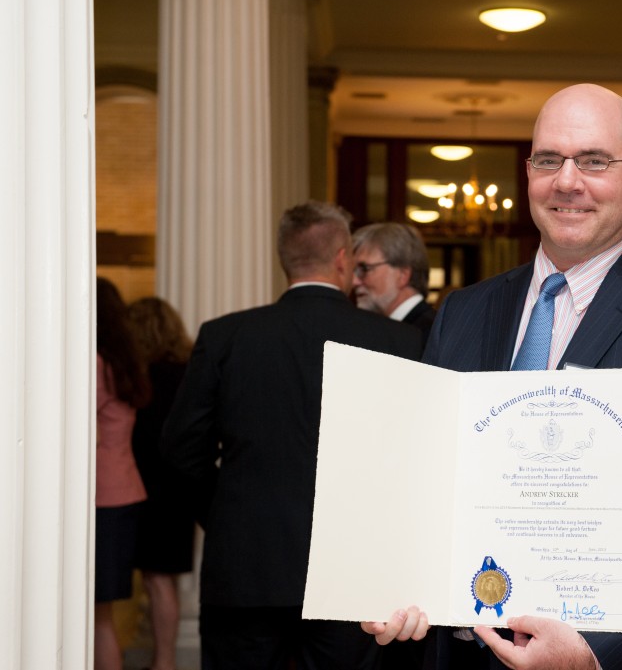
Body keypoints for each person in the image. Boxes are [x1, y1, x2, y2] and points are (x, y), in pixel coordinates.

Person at [363, 83, 622, 670]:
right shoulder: (464, 311)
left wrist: (594, 650)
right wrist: (390, 581)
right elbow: (426, 483)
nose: (567, 181)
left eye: (594, 161)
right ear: (528, 174)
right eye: (548, 160)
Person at [161, 201, 423, 670]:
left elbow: (180, 450)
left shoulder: (225, 336)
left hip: (247, 565)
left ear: (285, 259)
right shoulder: (394, 341)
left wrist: (226, 513)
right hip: (354, 568)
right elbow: (414, 454)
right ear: (342, 259)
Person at [127, 297, 196, 670]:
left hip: (149, 490)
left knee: (156, 581)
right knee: (162, 580)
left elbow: (142, 441)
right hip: (179, 490)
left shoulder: (143, 379)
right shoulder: (188, 373)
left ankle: (164, 662)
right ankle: (164, 660)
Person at [95, 277, 151, 670]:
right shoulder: (125, 362)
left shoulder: (98, 365)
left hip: (103, 495)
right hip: (125, 489)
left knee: (98, 615)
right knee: (102, 613)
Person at [351, 222, 436, 344]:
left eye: (364, 269)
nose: (354, 281)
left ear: (402, 275)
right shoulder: (402, 329)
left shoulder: (429, 334)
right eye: (354, 270)